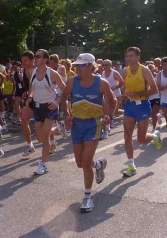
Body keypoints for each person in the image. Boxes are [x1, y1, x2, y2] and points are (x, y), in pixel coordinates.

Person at [61, 53, 116, 213]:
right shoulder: (72, 82)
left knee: (85, 161)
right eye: (76, 65)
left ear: (90, 66)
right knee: (80, 163)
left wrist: (108, 115)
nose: (76, 68)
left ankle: (87, 197)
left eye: (80, 65)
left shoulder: (102, 83)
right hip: (77, 124)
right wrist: (67, 115)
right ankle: (98, 165)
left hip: (93, 124)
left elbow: (113, 100)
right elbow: (64, 98)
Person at [122, 47, 161, 177]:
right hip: (129, 105)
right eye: (127, 56)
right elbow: (125, 88)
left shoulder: (144, 70)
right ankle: (131, 164)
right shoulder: (124, 71)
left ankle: (154, 136)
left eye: (132, 56)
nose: (129, 58)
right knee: (127, 136)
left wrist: (138, 93)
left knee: (141, 139)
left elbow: (154, 89)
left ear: (138, 57)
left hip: (143, 105)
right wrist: (124, 95)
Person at [26, 49, 66, 175]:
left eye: (38, 56)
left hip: (50, 107)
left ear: (45, 59)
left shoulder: (53, 74)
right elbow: (31, 87)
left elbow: (65, 90)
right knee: (40, 137)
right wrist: (30, 97)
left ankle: (43, 164)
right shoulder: (32, 72)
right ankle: (59, 128)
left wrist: (57, 102)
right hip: (37, 108)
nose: (35, 58)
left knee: (45, 135)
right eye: (34, 56)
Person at [101, 59, 124, 137]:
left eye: (106, 65)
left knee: (115, 111)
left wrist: (115, 87)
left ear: (110, 65)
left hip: (116, 94)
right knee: (107, 110)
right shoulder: (103, 73)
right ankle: (109, 123)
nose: (104, 66)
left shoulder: (115, 73)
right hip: (107, 95)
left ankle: (126, 113)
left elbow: (122, 82)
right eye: (103, 65)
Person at [20, 51, 37, 156]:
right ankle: (29, 144)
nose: (23, 62)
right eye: (22, 61)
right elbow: (29, 86)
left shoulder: (39, 70)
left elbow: (34, 86)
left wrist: (30, 94)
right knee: (23, 120)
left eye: (25, 60)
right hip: (30, 99)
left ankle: (52, 140)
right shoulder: (24, 70)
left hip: (42, 98)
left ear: (32, 60)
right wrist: (25, 92)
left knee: (42, 129)